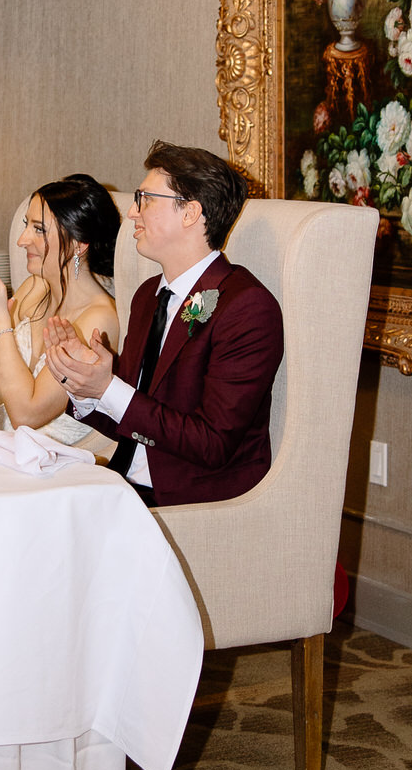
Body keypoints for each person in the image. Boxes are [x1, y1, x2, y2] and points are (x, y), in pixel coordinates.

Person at [44, 140, 282, 506]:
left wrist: (109, 389)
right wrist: (85, 385)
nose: (132, 214)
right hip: (125, 486)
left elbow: (211, 444)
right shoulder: (147, 297)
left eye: (146, 199)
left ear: (189, 213)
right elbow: (137, 421)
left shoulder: (245, 307)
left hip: (193, 501)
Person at [0, 174, 122, 446]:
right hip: (6, 450)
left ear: (79, 243)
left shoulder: (98, 319)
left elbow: (27, 415)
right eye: (26, 225)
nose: (22, 240)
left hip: (54, 465)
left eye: (39, 229)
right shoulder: (33, 290)